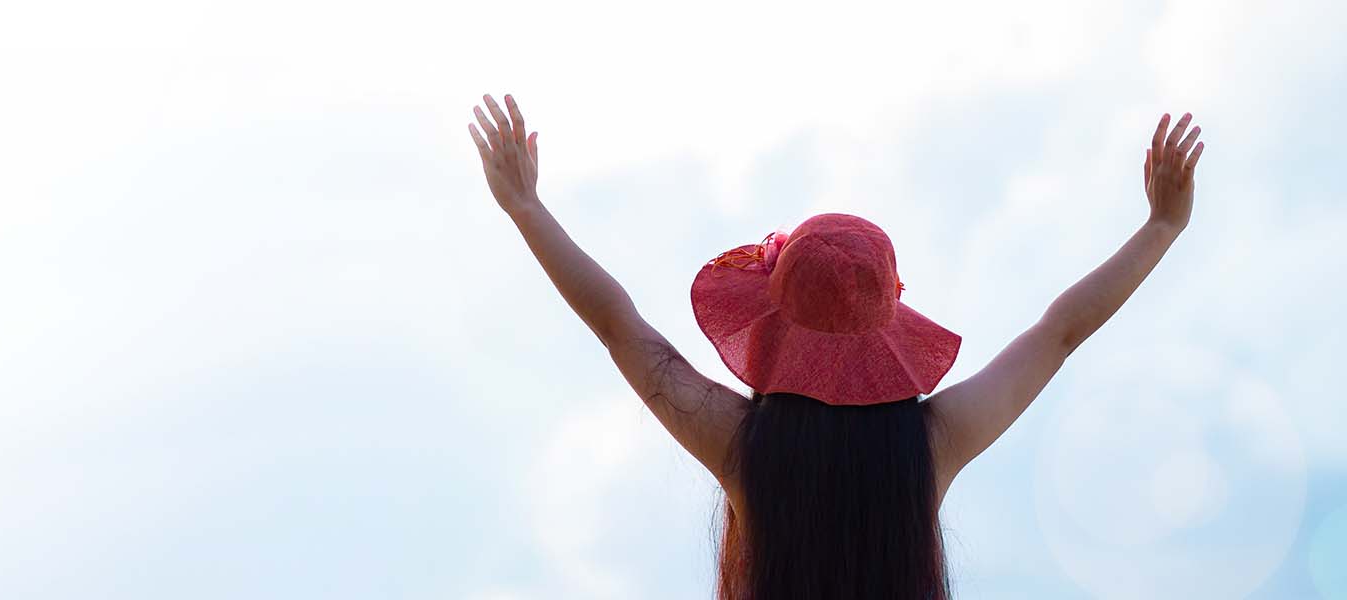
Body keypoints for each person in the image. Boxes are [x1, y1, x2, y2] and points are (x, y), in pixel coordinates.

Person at [467, 93, 1203, 599]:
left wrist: (526, 208)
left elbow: (617, 325)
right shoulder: (932, 442)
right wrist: (1161, 229)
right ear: (888, 322)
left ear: (772, 325)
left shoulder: (743, 445)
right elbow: (1059, 333)